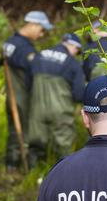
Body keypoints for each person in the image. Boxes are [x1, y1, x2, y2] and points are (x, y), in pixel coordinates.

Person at [2, 10, 53, 171]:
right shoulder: (24, 49)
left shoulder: (9, 42)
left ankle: (11, 163)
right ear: (33, 25)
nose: (42, 34)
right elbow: (34, 70)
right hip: (22, 95)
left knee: (14, 130)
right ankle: (20, 165)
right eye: (41, 29)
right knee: (24, 131)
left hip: (11, 95)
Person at [27, 33, 86, 165]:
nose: (76, 54)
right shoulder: (72, 63)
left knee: (36, 142)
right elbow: (78, 94)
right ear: (73, 46)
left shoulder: (39, 56)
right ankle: (63, 174)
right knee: (63, 144)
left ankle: (33, 172)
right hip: (61, 109)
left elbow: (28, 83)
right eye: (77, 50)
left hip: (37, 107)